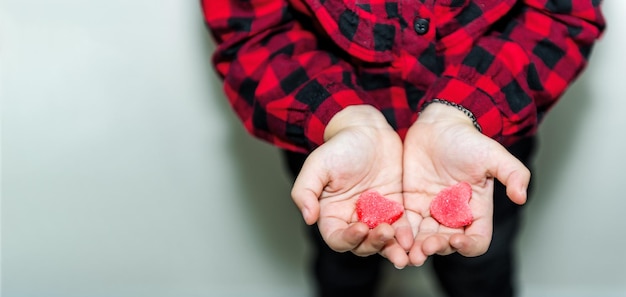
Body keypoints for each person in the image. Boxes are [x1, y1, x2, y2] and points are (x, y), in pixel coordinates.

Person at [202, 0, 605, 296]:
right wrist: (342, 120)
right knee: (342, 265)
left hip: (482, 153)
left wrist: (463, 113)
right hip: (338, 163)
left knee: (482, 269)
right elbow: (253, 34)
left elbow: (560, 16)